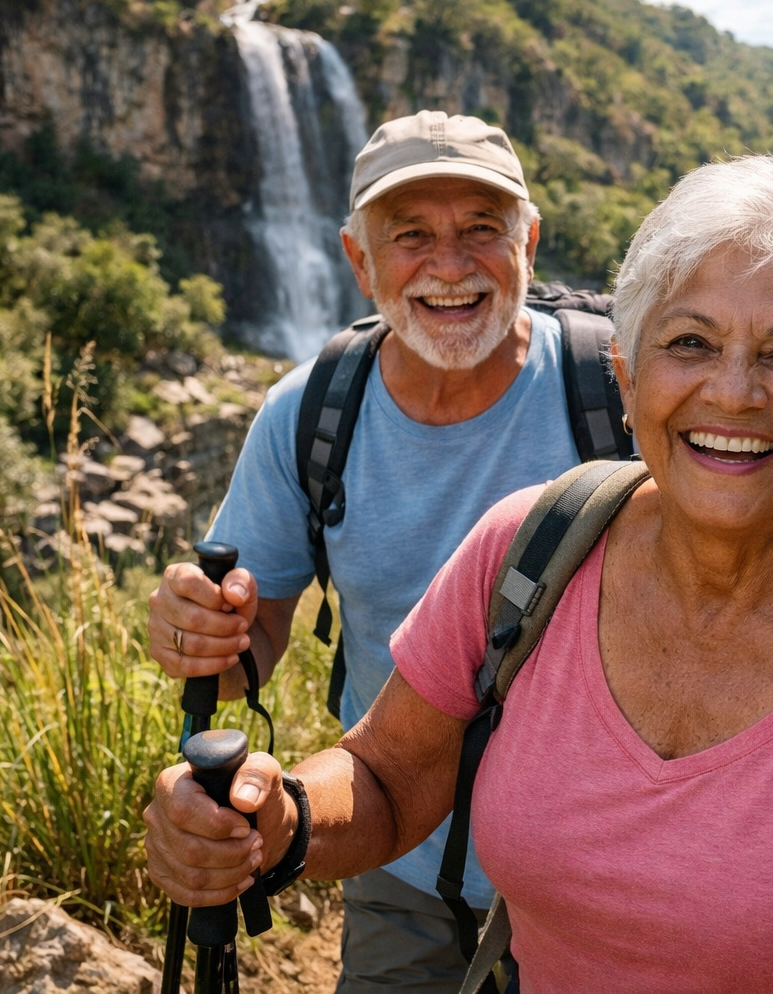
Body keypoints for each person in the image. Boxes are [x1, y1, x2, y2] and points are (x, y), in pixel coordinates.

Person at [142, 156, 773, 994]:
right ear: (627, 374)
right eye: (689, 342)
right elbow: (394, 773)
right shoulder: (528, 553)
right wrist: (280, 817)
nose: (732, 391)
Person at [144, 111, 625, 993]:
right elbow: (250, 640)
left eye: (482, 229)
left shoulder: (616, 395)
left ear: (529, 243)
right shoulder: (310, 412)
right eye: (411, 236)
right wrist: (197, 636)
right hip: (397, 859)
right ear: (360, 261)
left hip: (605, 878)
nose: (449, 265)